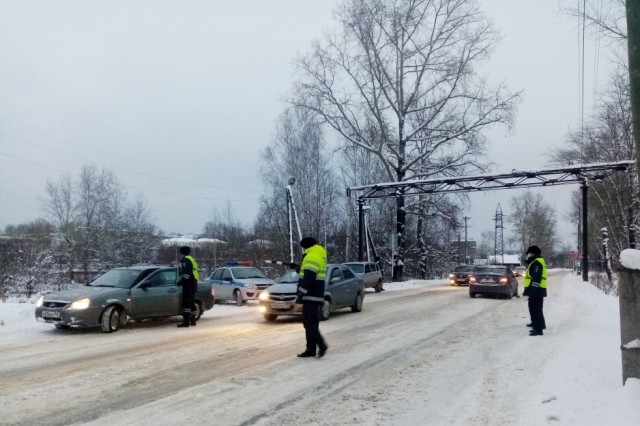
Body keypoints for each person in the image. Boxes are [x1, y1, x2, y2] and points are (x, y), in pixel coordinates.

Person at [296, 237, 329, 358]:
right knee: (311, 323)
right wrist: (298, 269)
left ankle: (321, 345)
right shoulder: (318, 255)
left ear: (306, 246)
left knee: (309, 324)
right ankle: (311, 349)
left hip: (310, 295)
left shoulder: (311, 256)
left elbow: (309, 278)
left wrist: (301, 293)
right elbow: (309, 273)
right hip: (316, 295)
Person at [523, 245, 547, 336]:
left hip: (537, 290)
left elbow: (537, 277)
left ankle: (539, 329)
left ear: (533, 253)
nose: (528, 255)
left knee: (536, 309)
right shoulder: (535, 261)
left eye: (529, 253)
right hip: (535, 289)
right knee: (533, 307)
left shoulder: (537, 262)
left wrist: (533, 289)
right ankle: (535, 323)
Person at [177, 245, 199, 328]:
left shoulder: (186, 260)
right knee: (191, 302)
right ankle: (193, 321)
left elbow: (186, 274)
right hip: (194, 283)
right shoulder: (192, 259)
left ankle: (186, 322)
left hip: (188, 284)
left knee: (186, 303)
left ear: (183, 252)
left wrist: (181, 282)